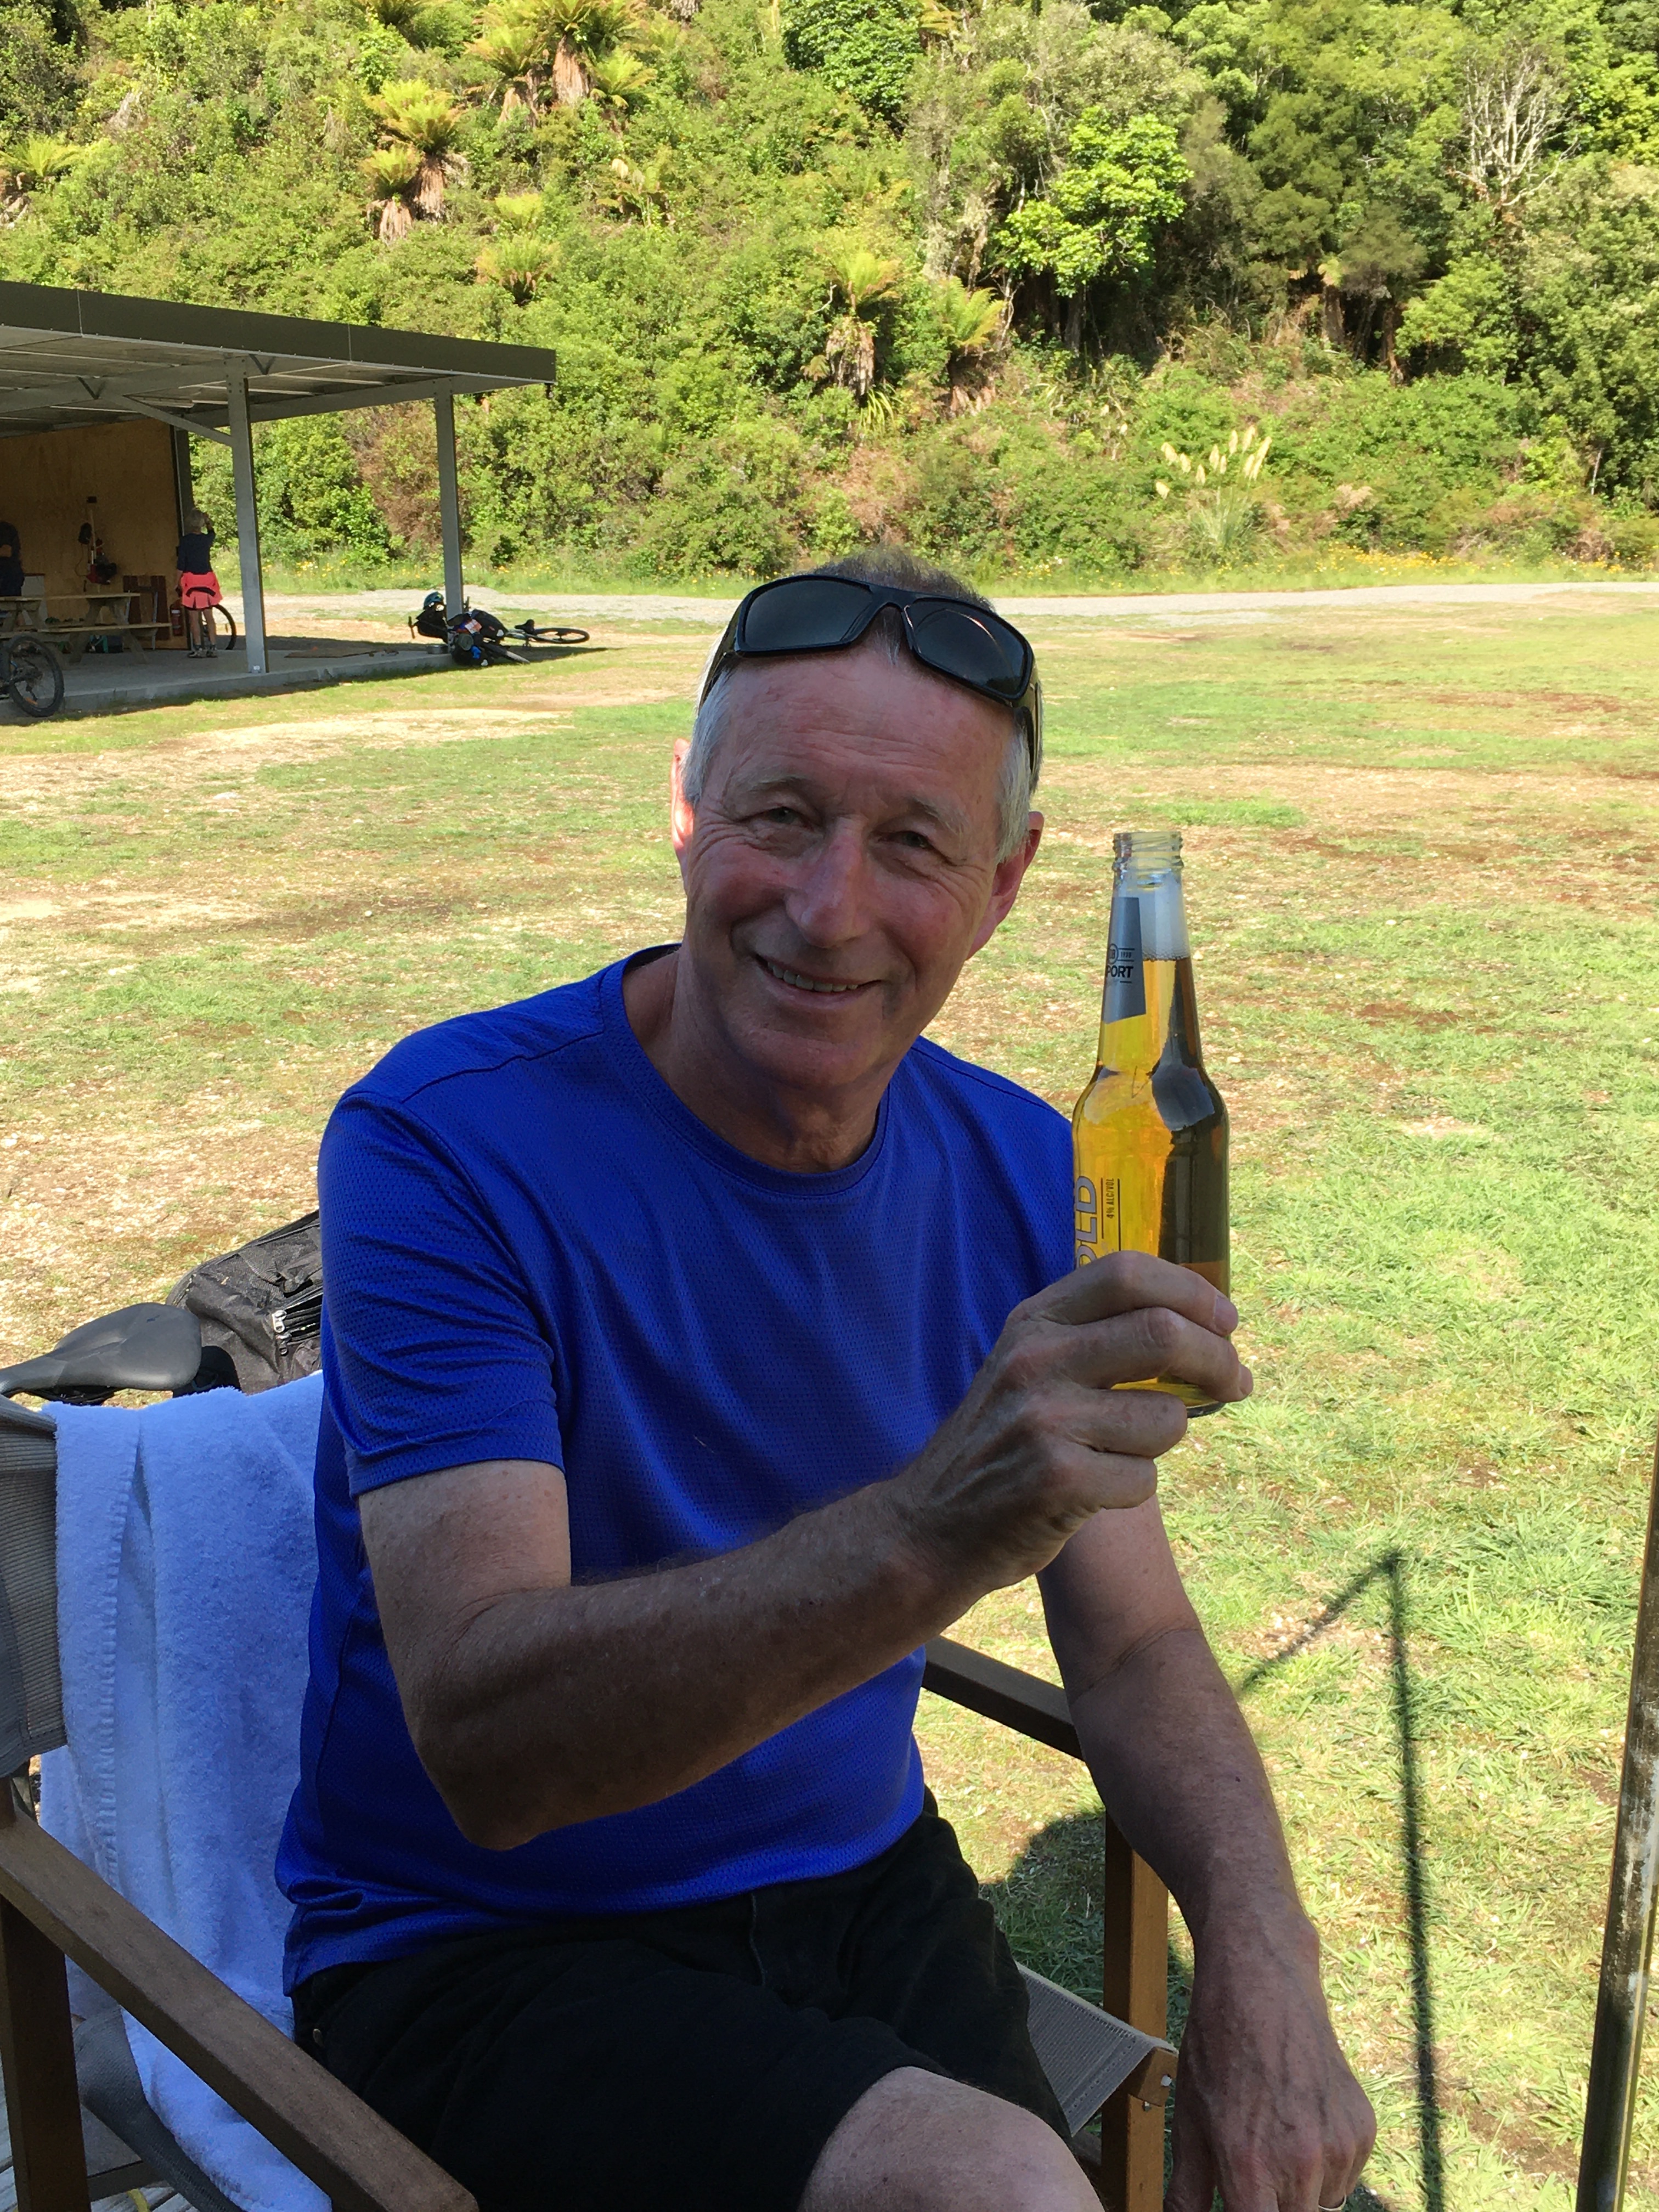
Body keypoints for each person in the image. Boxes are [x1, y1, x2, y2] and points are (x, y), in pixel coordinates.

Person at [278, 547, 1375, 2212]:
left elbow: (1133, 1639)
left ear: (1004, 884)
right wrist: (935, 1531)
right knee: (999, 2186)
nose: (829, 907)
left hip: (863, 1886)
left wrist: (1264, 1942)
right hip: (477, 1951)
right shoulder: (446, 1145)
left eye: (914, 843)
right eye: (782, 815)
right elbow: (492, 1757)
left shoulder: (1026, 1168)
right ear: (685, 810)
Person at [175, 505, 221, 657]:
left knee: (194, 617)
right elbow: (212, 533)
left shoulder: (185, 541)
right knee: (209, 615)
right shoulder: (206, 540)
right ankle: (213, 646)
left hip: (191, 580)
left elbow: (181, 564)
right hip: (207, 578)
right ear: (201, 523)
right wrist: (208, 522)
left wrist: (176, 582)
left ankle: (198, 648)